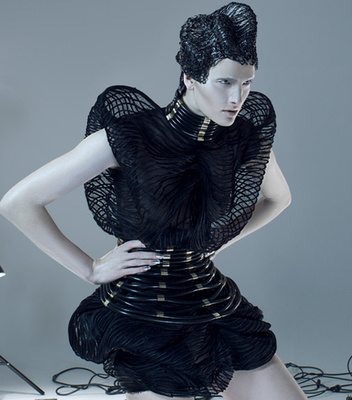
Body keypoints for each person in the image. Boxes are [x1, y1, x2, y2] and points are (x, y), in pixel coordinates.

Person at [0, 3, 307, 400]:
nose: (237, 97)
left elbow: (278, 198)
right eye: (225, 82)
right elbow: (18, 202)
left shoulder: (243, 136)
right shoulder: (130, 136)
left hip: (211, 303)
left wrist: (216, 242)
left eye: (247, 83)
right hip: (144, 317)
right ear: (190, 78)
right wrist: (91, 269)